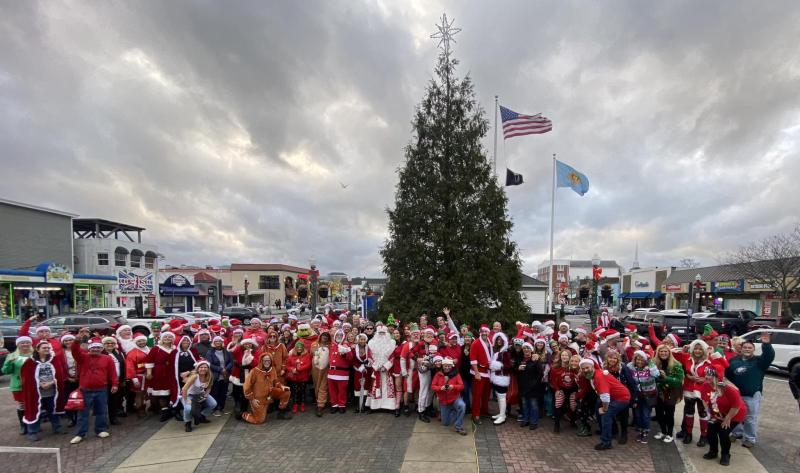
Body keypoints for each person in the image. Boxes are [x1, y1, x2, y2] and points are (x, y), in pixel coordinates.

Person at [725, 331, 773, 448]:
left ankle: (750, 438)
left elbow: (769, 356)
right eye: (745, 347)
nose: (747, 349)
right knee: (735, 415)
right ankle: (736, 433)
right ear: (741, 349)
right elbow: (727, 375)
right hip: (736, 394)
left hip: (752, 394)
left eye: (749, 348)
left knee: (750, 417)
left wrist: (766, 345)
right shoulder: (734, 361)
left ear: (753, 349)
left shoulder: (759, 362)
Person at [70, 337, 119, 444]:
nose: (96, 349)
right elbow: (74, 350)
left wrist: (115, 384)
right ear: (89, 348)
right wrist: (78, 339)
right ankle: (80, 433)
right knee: (83, 413)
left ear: (101, 349)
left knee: (101, 411)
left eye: (98, 348)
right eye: (93, 348)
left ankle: (100, 429)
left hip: (101, 389)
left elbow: (112, 373)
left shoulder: (107, 358)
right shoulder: (83, 357)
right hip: (85, 390)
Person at [579, 358, 631, 451]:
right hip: (612, 396)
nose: (585, 370)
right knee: (598, 409)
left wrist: (604, 408)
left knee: (606, 415)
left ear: (592, 366)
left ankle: (606, 442)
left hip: (621, 398)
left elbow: (605, 396)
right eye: (583, 369)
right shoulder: (594, 374)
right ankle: (608, 431)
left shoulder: (599, 376)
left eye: (587, 368)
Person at [701, 366, 747, 466]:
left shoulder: (728, 388)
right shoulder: (705, 385)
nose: (706, 377)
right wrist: (710, 414)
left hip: (734, 414)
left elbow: (736, 406)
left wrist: (727, 418)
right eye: (706, 374)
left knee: (723, 432)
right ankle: (713, 451)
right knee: (711, 431)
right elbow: (704, 401)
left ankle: (725, 455)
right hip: (717, 412)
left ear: (717, 376)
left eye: (709, 375)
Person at [21, 340, 67, 441]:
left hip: (52, 392)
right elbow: (26, 378)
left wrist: (51, 383)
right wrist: (39, 384)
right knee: (34, 411)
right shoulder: (30, 362)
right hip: (36, 393)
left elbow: (60, 375)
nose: (47, 349)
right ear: (37, 350)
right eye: (44, 348)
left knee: (53, 410)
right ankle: (32, 432)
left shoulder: (54, 360)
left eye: (48, 348)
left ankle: (57, 428)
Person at [673, 339, 714, 446]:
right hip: (689, 389)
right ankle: (689, 434)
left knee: (703, 413)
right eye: (695, 348)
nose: (697, 351)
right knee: (689, 412)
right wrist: (684, 349)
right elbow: (672, 353)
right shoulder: (687, 357)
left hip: (703, 391)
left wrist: (705, 379)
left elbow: (719, 372)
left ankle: (704, 436)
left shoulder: (710, 360)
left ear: (704, 350)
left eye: (700, 349)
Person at [242, 353, 292, 424]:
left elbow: (275, 381)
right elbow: (246, 386)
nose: (267, 362)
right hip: (258, 398)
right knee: (259, 421)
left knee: (286, 392)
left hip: (270, 394)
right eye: (265, 360)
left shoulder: (272, 369)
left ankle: (281, 411)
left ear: (271, 361)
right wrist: (252, 399)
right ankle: (245, 414)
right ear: (261, 361)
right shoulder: (254, 371)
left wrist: (281, 386)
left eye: (268, 360)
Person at [653, 343, 684, 443]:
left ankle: (670, 434)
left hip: (671, 392)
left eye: (665, 351)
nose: (663, 353)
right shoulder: (654, 363)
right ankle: (663, 431)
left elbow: (679, 381)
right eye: (661, 351)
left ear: (669, 353)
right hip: (659, 392)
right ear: (658, 353)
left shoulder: (676, 364)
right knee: (659, 413)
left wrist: (666, 378)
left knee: (669, 414)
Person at [3, 336, 34, 435]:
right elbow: (5, 371)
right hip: (19, 385)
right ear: (18, 344)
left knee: (33, 404)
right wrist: (9, 363)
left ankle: (33, 424)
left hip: (33, 384)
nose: (25, 344)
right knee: (22, 405)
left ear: (30, 343)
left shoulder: (35, 355)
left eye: (27, 342)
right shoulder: (12, 356)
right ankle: (23, 426)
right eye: (22, 343)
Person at [628, 350, 660, 444]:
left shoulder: (650, 367)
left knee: (645, 415)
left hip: (648, 395)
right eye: (638, 359)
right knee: (637, 415)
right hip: (637, 396)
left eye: (642, 359)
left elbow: (656, 374)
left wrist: (650, 362)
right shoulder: (632, 367)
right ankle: (641, 431)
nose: (639, 361)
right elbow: (626, 366)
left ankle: (645, 433)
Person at [145, 331, 178, 421]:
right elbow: (149, 361)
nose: (167, 338)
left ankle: (172, 409)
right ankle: (164, 411)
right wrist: (149, 373)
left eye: (169, 337)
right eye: (165, 337)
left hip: (172, 373)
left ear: (173, 339)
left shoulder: (175, 349)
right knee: (161, 393)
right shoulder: (156, 349)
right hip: (159, 373)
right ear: (162, 338)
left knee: (171, 391)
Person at [367, 323, 398, 414]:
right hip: (376, 369)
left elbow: (392, 357)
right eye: (380, 333)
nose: (381, 335)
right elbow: (369, 356)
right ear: (377, 333)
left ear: (386, 334)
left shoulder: (391, 343)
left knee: (388, 388)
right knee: (375, 387)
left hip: (387, 371)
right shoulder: (371, 343)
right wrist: (376, 366)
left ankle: (388, 406)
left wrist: (385, 366)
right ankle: (374, 406)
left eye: (383, 333)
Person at [432, 357, 467, 435]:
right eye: (445, 366)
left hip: (455, 398)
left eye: (449, 366)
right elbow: (433, 386)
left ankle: (458, 426)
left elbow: (462, 386)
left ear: (451, 366)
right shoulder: (438, 374)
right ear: (443, 366)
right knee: (445, 423)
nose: (447, 367)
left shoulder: (456, 374)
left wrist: (453, 387)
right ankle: (453, 411)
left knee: (462, 405)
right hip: (444, 402)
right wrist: (441, 388)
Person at [180, 360, 217, 432]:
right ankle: (188, 423)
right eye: (201, 367)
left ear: (208, 368)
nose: (203, 369)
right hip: (189, 395)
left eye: (205, 367)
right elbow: (184, 389)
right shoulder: (194, 376)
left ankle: (201, 416)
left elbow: (209, 387)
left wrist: (206, 396)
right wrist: (186, 400)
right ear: (197, 368)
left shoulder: (209, 376)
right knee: (187, 409)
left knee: (213, 404)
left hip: (200, 394)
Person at [516, 342, 544, 430]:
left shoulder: (535, 359)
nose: (526, 350)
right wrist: (518, 368)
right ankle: (526, 419)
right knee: (524, 404)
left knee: (533, 405)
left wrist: (535, 383)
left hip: (533, 387)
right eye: (524, 348)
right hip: (523, 386)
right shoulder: (520, 359)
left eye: (528, 348)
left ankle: (534, 422)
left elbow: (540, 373)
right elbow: (515, 370)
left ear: (531, 349)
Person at [229, 338, 259, 419]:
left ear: (252, 345)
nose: (247, 345)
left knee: (245, 393)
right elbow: (233, 351)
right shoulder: (239, 350)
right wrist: (238, 344)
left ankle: (243, 409)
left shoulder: (255, 352)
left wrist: (250, 357)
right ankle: (237, 405)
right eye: (246, 344)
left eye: (249, 344)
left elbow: (256, 363)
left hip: (248, 374)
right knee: (236, 392)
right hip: (237, 374)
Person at [549, 348, 577, 433]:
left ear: (570, 357)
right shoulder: (555, 368)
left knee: (573, 406)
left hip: (572, 389)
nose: (564, 357)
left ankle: (572, 421)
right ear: (560, 356)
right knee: (558, 405)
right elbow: (552, 380)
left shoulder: (573, 367)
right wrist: (557, 390)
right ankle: (556, 425)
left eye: (566, 355)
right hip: (560, 389)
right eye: (563, 355)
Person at [469, 325, 493, 424]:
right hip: (479, 372)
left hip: (488, 372)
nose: (484, 333)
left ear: (488, 333)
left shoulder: (489, 342)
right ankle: (475, 415)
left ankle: (484, 411)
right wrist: (477, 372)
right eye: (482, 332)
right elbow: (473, 359)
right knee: (477, 395)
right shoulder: (476, 343)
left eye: (486, 332)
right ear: (480, 332)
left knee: (486, 394)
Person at [327, 329, 354, 413]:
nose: (339, 337)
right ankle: (334, 405)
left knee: (342, 390)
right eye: (337, 335)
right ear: (335, 336)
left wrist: (345, 353)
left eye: (340, 335)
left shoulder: (346, 346)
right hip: (331, 373)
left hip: (342, 373)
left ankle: (342, 405)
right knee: (332, 390)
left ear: (343, 337)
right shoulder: (331, 346)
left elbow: (350, 358)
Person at [489, 331, 512, 425]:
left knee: (502, 397)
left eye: (500, 340)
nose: (499, 341)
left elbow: (509, 366)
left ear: (504, 341)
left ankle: (503, 416)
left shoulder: (505, 352)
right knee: (499, 396)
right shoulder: (498, 351)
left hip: (502, 378)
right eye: (497, 339)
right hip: (497, 377)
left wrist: (498, 366)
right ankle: (501, 413)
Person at [103, 337, 127, 424]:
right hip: (105, 381)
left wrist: (123, 379)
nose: (110, 345)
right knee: (105, 400)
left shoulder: (118, 353)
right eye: (107, 343)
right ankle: (103, 419)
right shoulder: (102, 353)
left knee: (114, 400)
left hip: (117, 380)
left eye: (112, 343)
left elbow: (123, 366)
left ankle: (113, 417)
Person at [207, 336, 233, 417]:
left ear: (222, 342)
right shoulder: (210, 352)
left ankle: (222, 407)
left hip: (225, 375)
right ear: (214, 343)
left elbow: (231, 362)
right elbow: (209, 364)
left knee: (224, 392)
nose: (218, 343)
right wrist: (220, 369)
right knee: (215, 392)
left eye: (220, 341)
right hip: (216, 376)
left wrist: (226, 369)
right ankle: (216, 409)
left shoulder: (226, 352)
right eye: (216, 341)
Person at [125, 334, 150, 418]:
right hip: (138, 376)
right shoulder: (132, 353)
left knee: (144, 393)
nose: (141, 342)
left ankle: (144, 407)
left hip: (148, 376)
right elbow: (130, 366)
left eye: (143, 340)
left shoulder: (148, 349)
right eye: (139, 341)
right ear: (136, 342)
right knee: (138, 394)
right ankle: (140, 409)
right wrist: (134, 378)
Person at [286, 340, 312, 413]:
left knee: (303, 392)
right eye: (298, 347)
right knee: (295, 392)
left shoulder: (307, 355)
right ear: (295, 347)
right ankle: (295, 405)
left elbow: (308, 365)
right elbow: (287, 365)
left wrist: (299, 368)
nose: (299, 348)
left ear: (303, 348)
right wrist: (292, 369)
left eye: (301, 347)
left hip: (303, 377)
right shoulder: (291, 356)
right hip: (294, 378)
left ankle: (303, 404)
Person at [311, 331, 331, 416]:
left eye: (327, 336)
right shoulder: (314, 344)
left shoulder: (330, 345)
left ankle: (320, 405)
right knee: (317, 386)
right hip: (315, 369)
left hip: (326, 369)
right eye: (323, 335)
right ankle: (319, 401)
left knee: (323, 386)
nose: (325, 337)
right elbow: (311, 353)